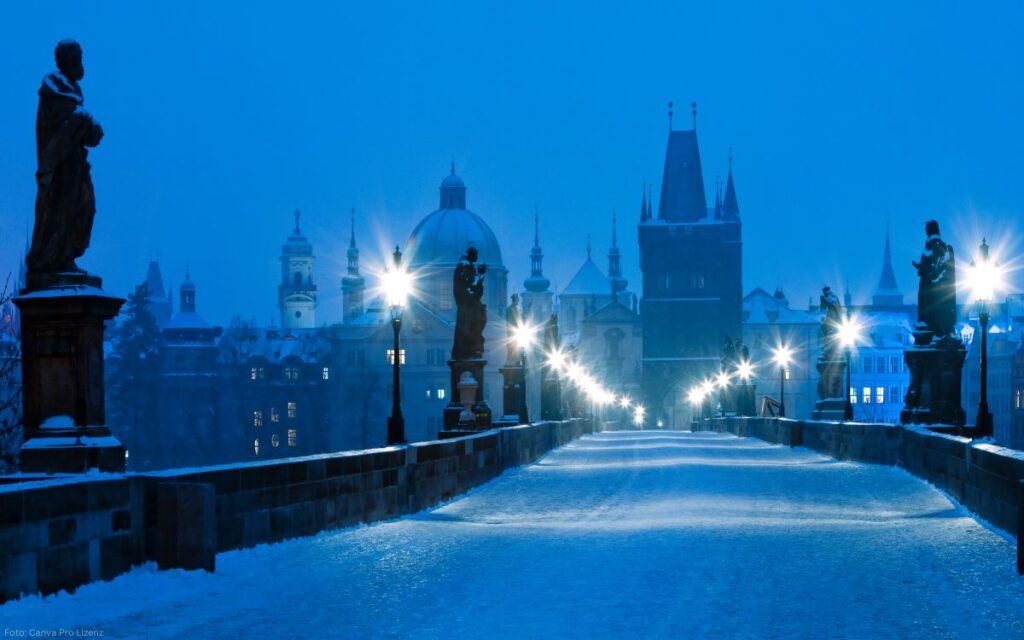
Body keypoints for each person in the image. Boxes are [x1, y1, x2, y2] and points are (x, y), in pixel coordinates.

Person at [27, 40, 104, 275]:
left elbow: (85, 128)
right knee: (61, 211)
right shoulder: (55, 87)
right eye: (78, 59)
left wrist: (87, 126)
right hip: (60, 167)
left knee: (84, 208)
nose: (81, 64)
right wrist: (87, 123)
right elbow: (71, 122)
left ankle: (66, 255)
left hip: (76, 165)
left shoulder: (70, 89)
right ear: (68, 61)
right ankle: (54, 258)